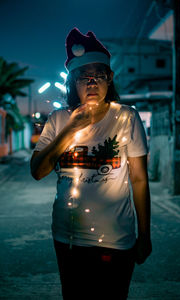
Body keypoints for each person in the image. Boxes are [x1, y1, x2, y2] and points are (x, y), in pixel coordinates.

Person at [30, 28, 152, 300]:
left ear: (110, 79)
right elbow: (37, 171)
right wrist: (71, 129)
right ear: (74, 82)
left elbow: (140, 179)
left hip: (117, 238)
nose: (92, 83)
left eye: (99, 75)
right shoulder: (58, 120)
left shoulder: (127, 118)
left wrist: (144, 234)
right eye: (84, 77)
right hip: (68, 237)